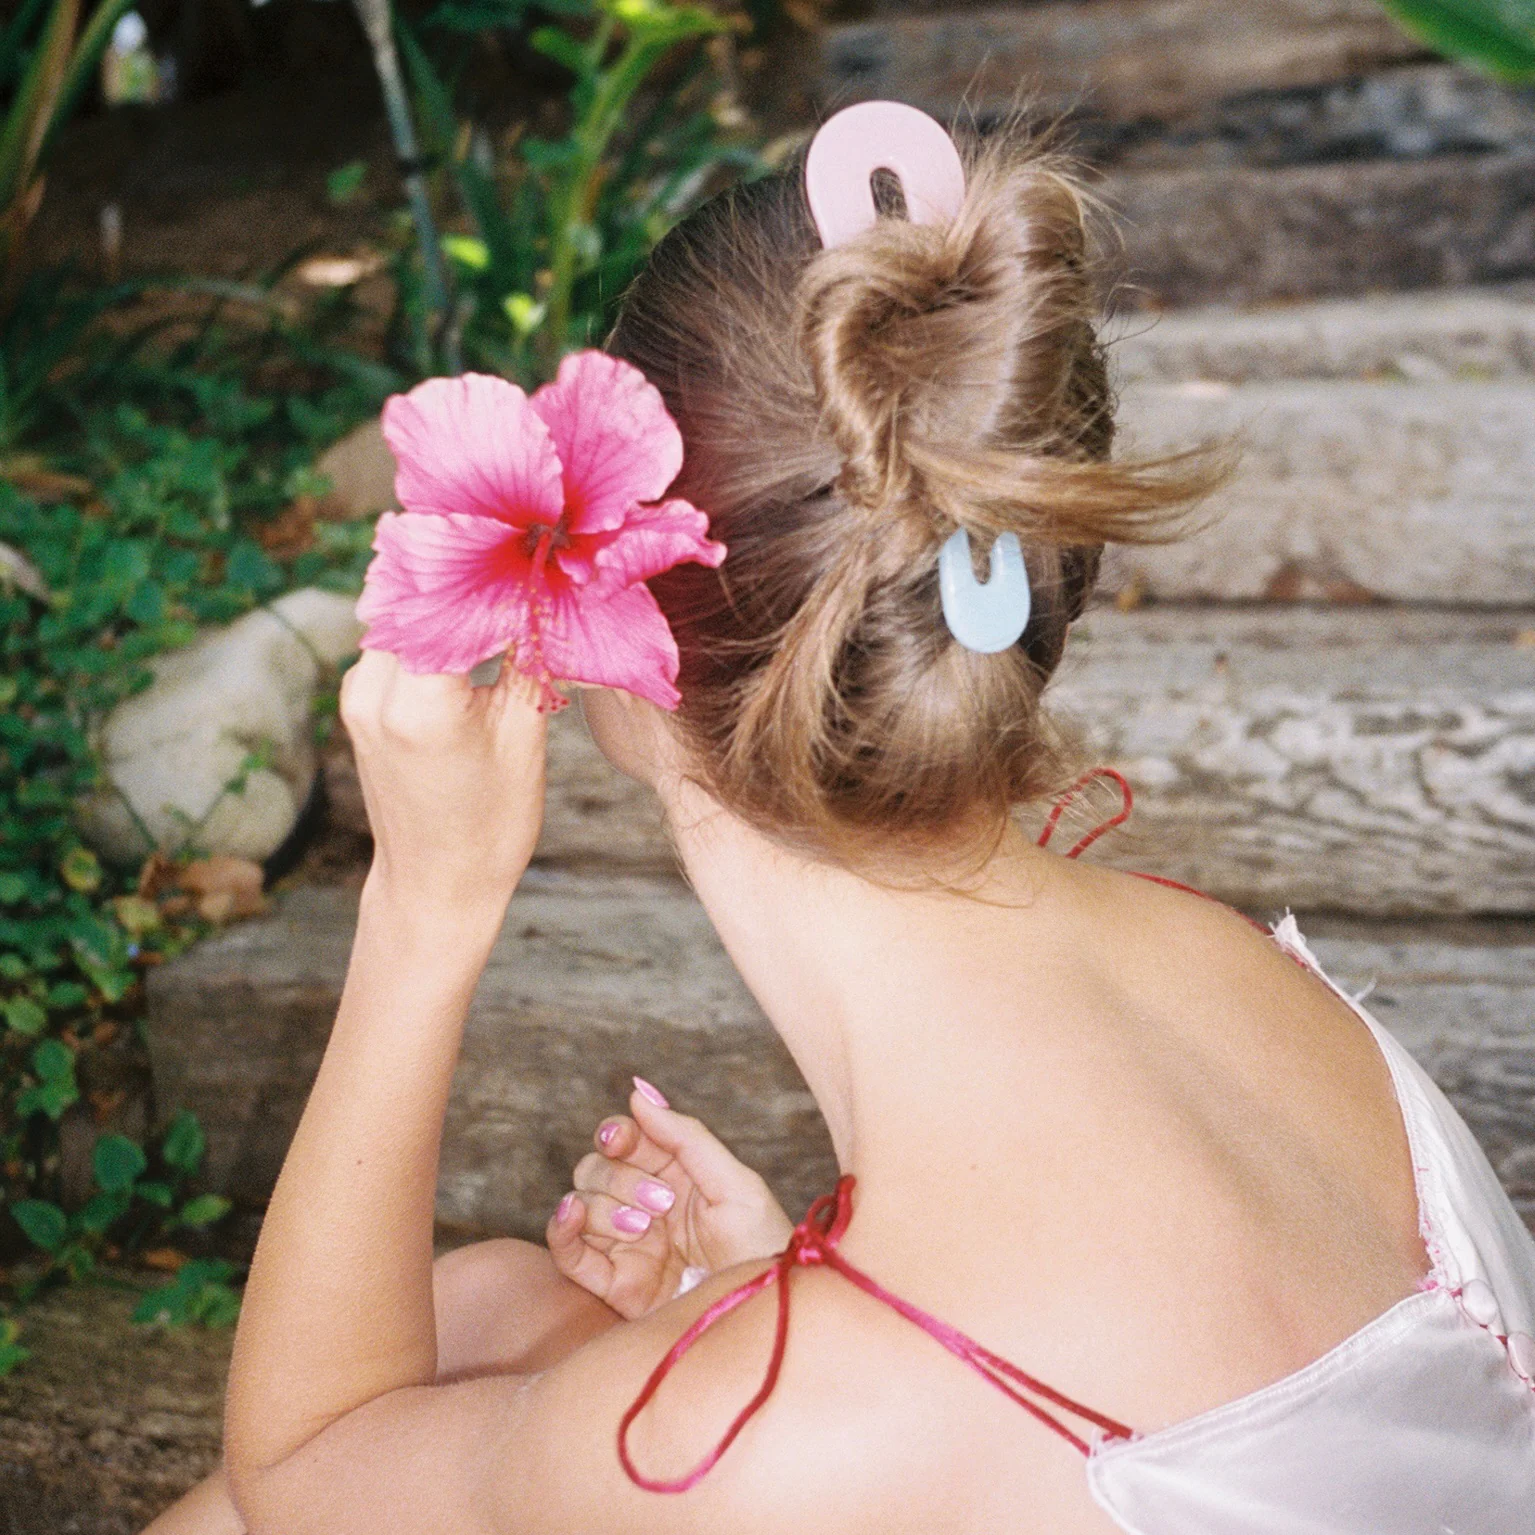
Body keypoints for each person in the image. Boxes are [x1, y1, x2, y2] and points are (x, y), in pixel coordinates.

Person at [144, 111, 1535, 1535]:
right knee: (500, 1305)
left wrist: (424, 907)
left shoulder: (794, 1434)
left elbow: (303, 1466)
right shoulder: (1232, 968)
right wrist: (764, 1283)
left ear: (629, 596)